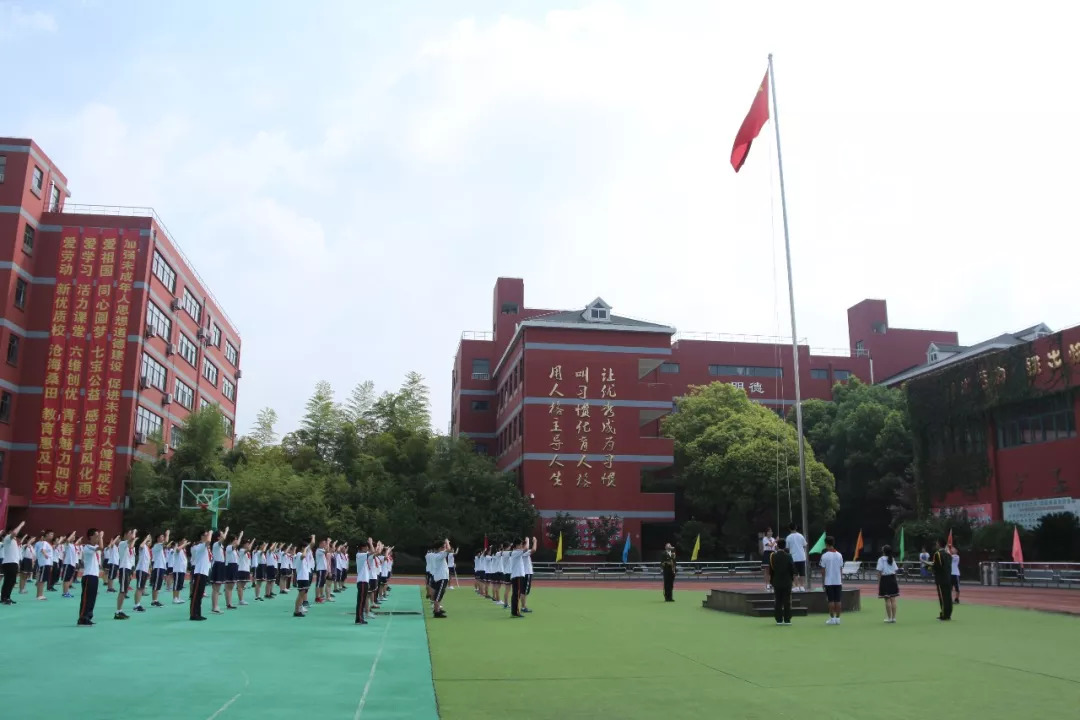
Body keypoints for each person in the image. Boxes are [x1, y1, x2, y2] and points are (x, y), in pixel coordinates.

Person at [78, 528, 103, 626]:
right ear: (90, 537)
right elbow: (101, 547)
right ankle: (82, 618)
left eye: (98, 536)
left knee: (92, 598)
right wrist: (101, 537)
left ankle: (88, 616)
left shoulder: (95, 547)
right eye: (96, 536)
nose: (98, 538)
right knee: (86, 598)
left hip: (94, 576)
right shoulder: (88, 547)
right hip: (88, 575)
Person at [769, 538, 794, 625]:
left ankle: (779, 619)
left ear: (777, 546)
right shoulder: (789, 556)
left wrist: (771, 581)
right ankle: (787, 619)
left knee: (778, 600)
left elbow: (771, 570)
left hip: (776, 581)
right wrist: (791, 579)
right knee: (787, 600)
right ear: (785, 546)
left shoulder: (773, 556)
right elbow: (792, 569)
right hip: (787, 581)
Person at [927, 538, 953, 621]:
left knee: (943, 597)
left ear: (939, 544)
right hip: (948, 577)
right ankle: (948, 613)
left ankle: (944, 615)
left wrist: (929, 567)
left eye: (937, 543)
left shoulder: (937, 554)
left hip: (941, 578)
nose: (936, 544)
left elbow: (936, 566)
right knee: (948, 596)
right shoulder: (948, 554)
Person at [819, 535, 844, 625]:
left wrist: (823, 582)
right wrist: (840, 579)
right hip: (838, 581)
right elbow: (841, 569)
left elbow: (823, 571)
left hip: (828, 581)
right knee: (838, 600)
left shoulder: (824, 556)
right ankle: (838, 618)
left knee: (830, 600)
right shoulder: (839, 555)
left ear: (826, 544)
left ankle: (832, 618)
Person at [189, 530, 211, 621]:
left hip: (204, 572)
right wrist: (211, 533)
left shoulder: (205, 547)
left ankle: (198, 613)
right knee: (196, 594)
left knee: (200, 594)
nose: (207, 537)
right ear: (201, 537)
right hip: (199, 572)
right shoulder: (200, 546)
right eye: (205, 535)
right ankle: (193, 614)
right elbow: (208, 541)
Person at [114, 528, 136, 620]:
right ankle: (118, 611)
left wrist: (132, 569)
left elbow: (131, 558)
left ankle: (120, 610)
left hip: (128, 569)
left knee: (124, 591)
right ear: (126, 534)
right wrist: (134, 532)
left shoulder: (131, 546)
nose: (132, 535)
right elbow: (131, 542)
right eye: (130, 533)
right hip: (123, 568)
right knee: (122, 591)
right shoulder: (122, 543)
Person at [1, 521, 25, 604]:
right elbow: (14, 532)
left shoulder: (14, 541)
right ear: (9, 531)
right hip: (8, 563)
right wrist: (20, 525)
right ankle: (4, 598)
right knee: (8, 581)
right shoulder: (8, 538)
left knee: (12, 581)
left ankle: (8, 597)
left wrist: (17, 564)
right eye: (13, 530)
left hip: (13, 563)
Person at [876, 544, 900, 623]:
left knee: (887, 599)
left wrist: (879, 582)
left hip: (885, 579)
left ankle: (889, 618)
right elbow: (895, 570)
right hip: (892, 579)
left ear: (883, 551)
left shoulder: (881, 559)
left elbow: (879, 571)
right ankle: (894, 618)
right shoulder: (892, 558)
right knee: (893, 599)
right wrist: (895, 581)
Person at [293, 536, 315, 618]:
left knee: (302, 594)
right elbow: (303, 556)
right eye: (305, 547)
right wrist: (305, 549)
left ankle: (298, 609)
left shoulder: (303, 554)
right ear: (302, 548)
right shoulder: (299, 554)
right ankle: (296, 610)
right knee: (300, 594)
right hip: (302, 577)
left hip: (304, 576)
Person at [132, 533, 153, 613]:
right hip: (141, 569)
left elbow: (148, 562)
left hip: (144, 570)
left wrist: (149, 570)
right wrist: (146, 539)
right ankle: (136, 605)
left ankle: (138, 604)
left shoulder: (148, 549)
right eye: (148, 540)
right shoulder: (143, 547)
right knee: (139, 587)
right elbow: (140, 545)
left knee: (141, 588)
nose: (149, 541)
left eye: (150, 540)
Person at [150, 531, 170, 608]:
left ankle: (155, 600)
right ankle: (154, 601)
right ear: (158, 538)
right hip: (158, 567)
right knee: (156, 584)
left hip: (161, 567)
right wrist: (167, 534)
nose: (163, 538)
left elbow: (166, 544)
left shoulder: (159, 547)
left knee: (158, 584)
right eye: (162, 536)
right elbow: (166, 542)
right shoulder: (157, 545)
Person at [508, 538, 528, 618]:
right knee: (517, 594)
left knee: (516, 594)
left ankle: (514, 611)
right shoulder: (516, 552)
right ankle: (516, 612)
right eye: (520, 544)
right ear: (516, 545)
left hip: (516, 575)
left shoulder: (516, 552)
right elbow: (526, 549)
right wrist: (528, 540)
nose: (521, 546)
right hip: (517, 576)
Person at [785, 523, 807, 592]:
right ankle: (802, 586)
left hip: (793, 557)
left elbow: (787, 548)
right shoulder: (801, 536)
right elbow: (805, 545)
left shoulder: (788, 537)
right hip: (802, 556)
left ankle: (796, 586)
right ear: (796, 527)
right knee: (802, 572)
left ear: (789, 529)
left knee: (794, 573)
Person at [35, 529, 55, 600]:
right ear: (46, 535)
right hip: (44, 563)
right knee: (41, 579)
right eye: (51, 534)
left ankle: (40, 594)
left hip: (48, 563)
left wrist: (51, 564)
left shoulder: (48, 544)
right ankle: (39, 595)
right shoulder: (44, 542)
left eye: (53, 534)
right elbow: (42, 549)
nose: (52, 536)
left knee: (43, 580)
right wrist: (45, 554)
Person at [355, 541, 371, 625]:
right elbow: (372, 552)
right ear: (362, 548)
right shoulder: (360, 555)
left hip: (364, 581)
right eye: (366, 547)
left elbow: (374, 553)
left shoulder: (363, 555)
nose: (367, 548)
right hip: (362, 581)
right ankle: (359, 619)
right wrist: (371, 543)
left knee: (362, 601)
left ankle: (360, 618)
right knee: (361, 601)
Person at [170, 540, 189, 605]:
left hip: (182, 570)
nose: (185, 543)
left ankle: (177, 597)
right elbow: (178, 549)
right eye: (183, 541)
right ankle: (174, 598)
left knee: (180, 585)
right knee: (176, 584)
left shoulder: (183, 550)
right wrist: (184, 544)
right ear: (180, 543)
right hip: (178, 570)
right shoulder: (177, 549)